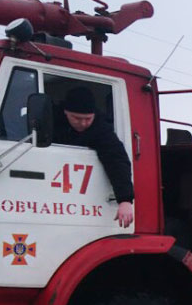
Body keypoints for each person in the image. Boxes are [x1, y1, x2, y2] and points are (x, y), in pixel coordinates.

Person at [54, 86, 135, 228]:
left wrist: (125, 200)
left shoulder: (100, 128)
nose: (83, 123)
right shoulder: (49, 120)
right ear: (65, 112)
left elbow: (116, 159)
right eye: (77, 118)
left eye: (88, 118)